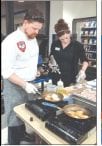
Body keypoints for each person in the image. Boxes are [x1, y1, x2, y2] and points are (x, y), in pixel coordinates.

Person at [1, 8, 44, 144]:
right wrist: (24, 84)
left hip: (30, 83)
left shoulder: (32, 38)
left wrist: (35, 71)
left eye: (39, 29)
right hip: (14, 85)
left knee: (25, 112)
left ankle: (23, 134)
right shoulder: (10, 41)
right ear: (25, 23)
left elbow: (29, 59)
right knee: (14, 116)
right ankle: (14, 141)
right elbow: (6, 71)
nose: (37, 32)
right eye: (34, 28)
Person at [49, 19, 89, 87]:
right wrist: (50, 63)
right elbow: (51, 56)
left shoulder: (77, 45)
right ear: (58, 37)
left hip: (71, 79)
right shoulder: (55, 44)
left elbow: (85, 60)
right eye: (62, 39)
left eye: (67, 38)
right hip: (56, 77)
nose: (65, 41)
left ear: (69, 34)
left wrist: (82, 70)